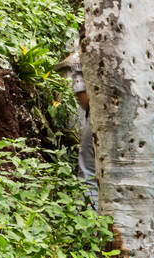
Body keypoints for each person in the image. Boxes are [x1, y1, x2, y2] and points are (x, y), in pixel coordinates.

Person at [54, 33, 98, 209]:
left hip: (97, 118)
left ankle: (90, 224)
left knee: (89, 174)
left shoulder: (80, 59)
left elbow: (85, 100)